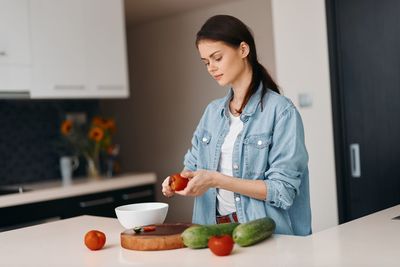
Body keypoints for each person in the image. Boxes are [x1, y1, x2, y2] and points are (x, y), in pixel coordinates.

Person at [161, 15, 311, 236]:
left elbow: (282, 191)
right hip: (213, 231)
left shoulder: (281, 111)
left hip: (264, 234)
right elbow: (192, 167)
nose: (211, 68)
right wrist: (178, 182)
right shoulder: (212, 113)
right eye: (206, 62)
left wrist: (216, 180)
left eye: (217, 58)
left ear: (243, 50)